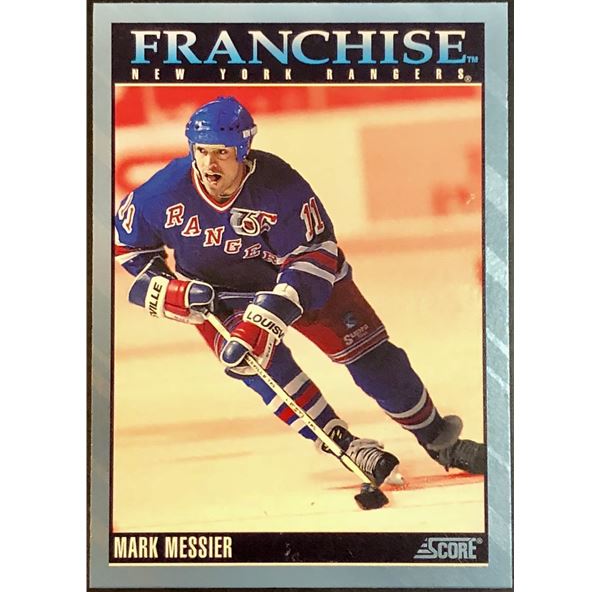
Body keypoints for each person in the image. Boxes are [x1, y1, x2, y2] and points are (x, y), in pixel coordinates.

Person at [114, 96, 486, 489]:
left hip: (301, 282)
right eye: (202, 151)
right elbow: (129, 246)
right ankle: (342, 443)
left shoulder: (281, 185)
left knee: (373, 358)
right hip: (220, 296)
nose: (210, 164)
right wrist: (166, 288)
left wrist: (275, 309)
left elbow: (317, 253)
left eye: (222, 152)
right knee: (255, 364)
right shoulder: (163, 192)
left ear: (242, 149)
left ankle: (439, 440)